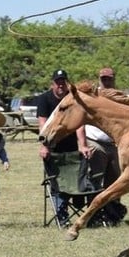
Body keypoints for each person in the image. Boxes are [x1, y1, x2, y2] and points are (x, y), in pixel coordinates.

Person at [37, 68, 80, 226]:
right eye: (58, 82)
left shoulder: (72, 98)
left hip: (71, 144)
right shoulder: (44, 99)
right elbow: (42, 122)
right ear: (52, 84)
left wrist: (83, 144)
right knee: (57, 182)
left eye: (63, 82)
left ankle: (76, 209)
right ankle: (62, 215)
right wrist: (44, 146)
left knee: (74, 179)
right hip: (53, 146)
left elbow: (79, 123)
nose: (61, 85)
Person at [78, 67, 122, 190]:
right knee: (95, 175)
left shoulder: (119, 98)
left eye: (109, 79)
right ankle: (94, 205)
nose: (106, 83)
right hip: (94, 141)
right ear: (99, 80)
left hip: (114, 143)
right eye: (103, 80)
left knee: (115, 179)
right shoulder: (91, 97)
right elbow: (79, 121)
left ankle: (112, 207)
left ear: (114, 80)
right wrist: (83, 144)